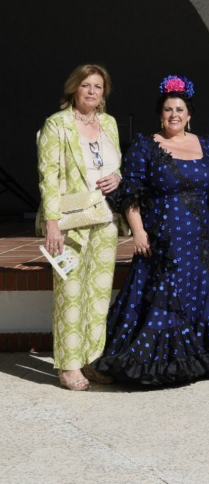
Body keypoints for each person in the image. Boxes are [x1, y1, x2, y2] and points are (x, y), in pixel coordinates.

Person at [95, 76, 209, 384]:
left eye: (179, 109)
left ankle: (201, 358)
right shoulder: (145, 146)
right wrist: (138, 232)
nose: (173, 114)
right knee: (166, 297)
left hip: (199, 240)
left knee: (204, 297)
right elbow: (132, 192)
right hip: (164, 238)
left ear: (189, 114)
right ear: (160, 114)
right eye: (167, 109)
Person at [37, 64, 122, 390]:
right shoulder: (57, 124)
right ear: (74, 88)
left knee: (99, 295)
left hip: (105, 220)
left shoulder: (109, 124)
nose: (91, 91)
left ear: (104, 92)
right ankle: (68, 365)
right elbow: (49, 177)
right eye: (85, 85)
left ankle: (91, 359)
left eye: (98, 86)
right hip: (70, 222)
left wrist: (117, 178)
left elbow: (117, 167)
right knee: (70, 292)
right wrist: (52, 225)